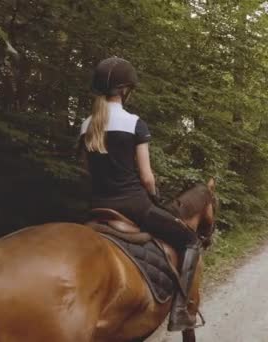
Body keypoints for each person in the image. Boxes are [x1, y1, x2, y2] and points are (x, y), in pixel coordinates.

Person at [78, 57, 200, 331]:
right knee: (191, 240)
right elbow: (146, 176)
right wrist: (155, 197)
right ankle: (181, 310)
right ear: (124, 90)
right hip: (134, 206)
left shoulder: (86, 125)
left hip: (97, 207)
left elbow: (86, 170)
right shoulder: (134, 123)